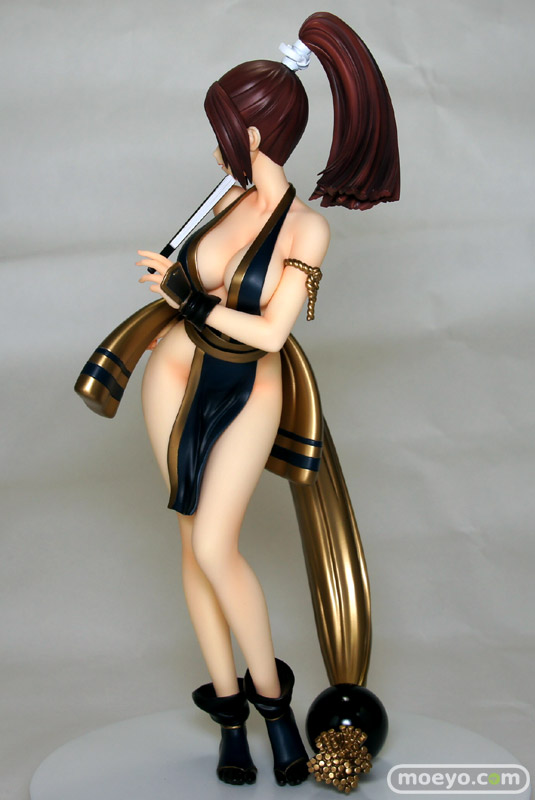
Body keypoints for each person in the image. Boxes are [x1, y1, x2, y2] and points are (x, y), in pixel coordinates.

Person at [133, 11, 399, 788]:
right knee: (190, 540)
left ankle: (274, 707)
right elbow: (194, 295)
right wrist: (175, 295)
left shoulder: (306, 230)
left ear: (254, 134)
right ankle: (229, 716)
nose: (217, 148)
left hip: (249, 383)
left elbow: (272, 333)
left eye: (224, 131)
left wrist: (186, 294)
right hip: (173, 371)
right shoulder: (225, 202)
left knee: (217, 546)